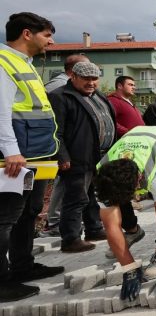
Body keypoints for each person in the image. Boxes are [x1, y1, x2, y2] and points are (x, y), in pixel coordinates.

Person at [0, 12, 64, 302]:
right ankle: (3, 282)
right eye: (47, 35)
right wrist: (10, 150)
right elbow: (1, 112)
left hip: (35, 154)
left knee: (28, 211)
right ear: (27, 34)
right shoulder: (3, 62)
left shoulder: (24, 63)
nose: (50, 41)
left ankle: (22, 266)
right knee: (6, 217)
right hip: (16, 157)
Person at [95, 126, 156, 302]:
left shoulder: (155, 169)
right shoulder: (103, 174)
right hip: (132, 140)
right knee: (115, 207)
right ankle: (133, 231)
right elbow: (110, 225)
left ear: (138, 182)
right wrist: (129, 269)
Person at [49, 61, 114, 252]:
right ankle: (70, 239)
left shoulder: (97, 96)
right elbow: (55, 131)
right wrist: (62, 156)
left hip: (97, 156)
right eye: (86, 79)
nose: (91, 83)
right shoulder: (60, 97)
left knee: (91, 196)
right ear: (73, 77)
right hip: (77, 157)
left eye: (94, 79)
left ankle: (93, 228)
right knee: (75, 198)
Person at [40, 53, 90, 237]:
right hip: (67, 147)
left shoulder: (75, 86)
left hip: (77, 146)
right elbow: (56, 125)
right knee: (64, 185)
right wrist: (62, 152)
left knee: (74, 188)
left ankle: (66, 221)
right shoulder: (59, 87)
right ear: (74, 71)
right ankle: (55, 222)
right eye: (86, 68)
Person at [104, 75, 147, 257]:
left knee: (127, 190)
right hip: (121, 150)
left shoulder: (128, 102)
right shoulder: (113, 101)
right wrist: (128, 132)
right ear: (119, 86)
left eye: (134, 84)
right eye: (130, 84)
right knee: (116, 193)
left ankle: (130, 228)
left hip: (133, 150)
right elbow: (112, 123)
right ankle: (127, 231)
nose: (134, 87)